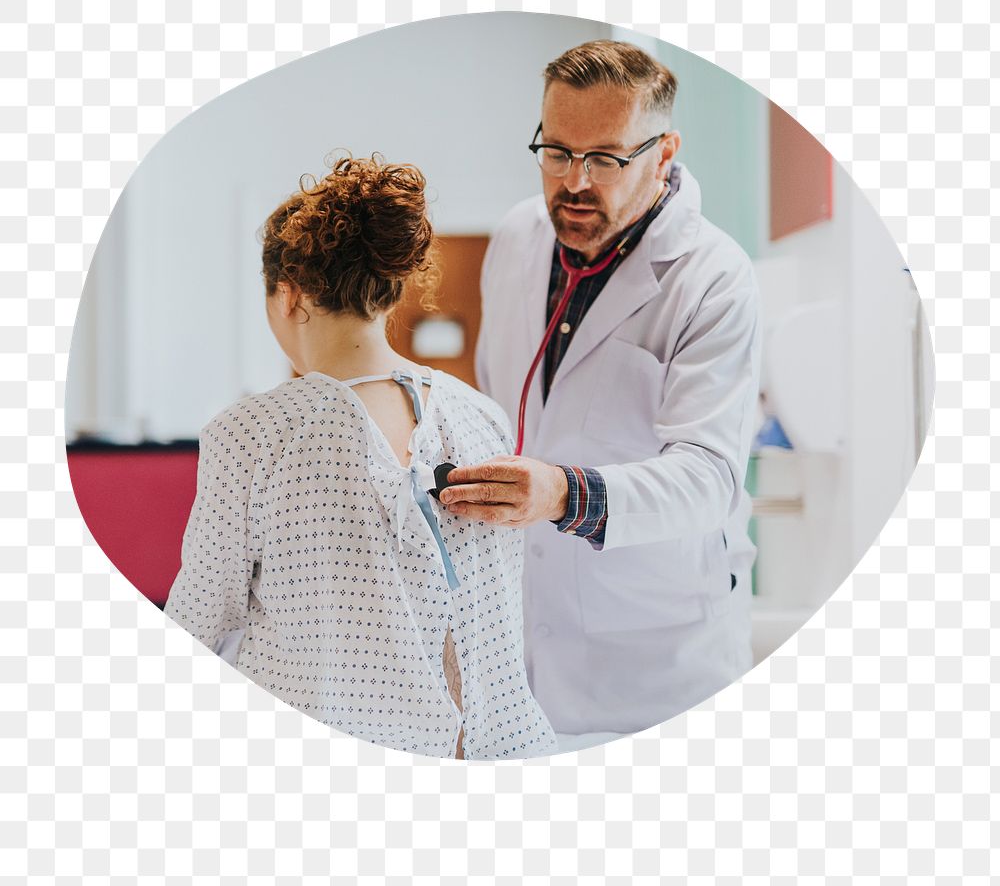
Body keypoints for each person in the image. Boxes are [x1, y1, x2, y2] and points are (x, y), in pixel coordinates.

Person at [165, 155, 557, 760]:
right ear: (386, 290)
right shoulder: (481, 417)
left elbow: (197, 618)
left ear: (290, 296)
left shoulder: (251, 434)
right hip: (497, 747)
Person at [441, 40, 762, 737]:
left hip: (656, 657)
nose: (575, 182)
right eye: (556, 152)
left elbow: (709, 479)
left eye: (606, 158)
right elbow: (502, 410)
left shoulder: (712, 278)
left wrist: (562, 493)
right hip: (523, 639)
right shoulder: (517, 237)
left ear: (664, 152)